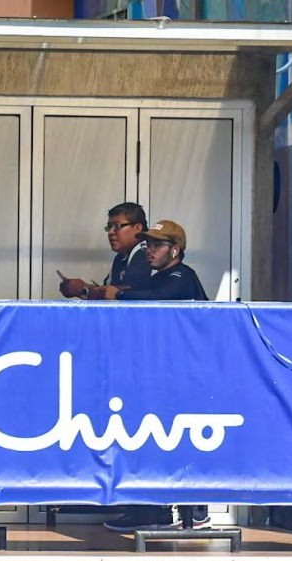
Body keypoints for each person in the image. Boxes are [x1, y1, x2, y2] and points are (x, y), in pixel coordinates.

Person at [89, 219, 210, 532]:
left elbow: (158, 298)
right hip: (162, 374)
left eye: (157, 244)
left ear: (175, 250)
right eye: (147, 244)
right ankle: (155, 510)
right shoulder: (162, 278)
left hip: (182, 376)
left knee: (175, 440)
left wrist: (119, 297)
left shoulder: (182, 276)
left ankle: (190, 511)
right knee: (153, 441)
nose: (149, 250)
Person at [58, 202, 152, 300]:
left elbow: (130, 294)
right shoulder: (121, 257)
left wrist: (84, 290)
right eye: (109, 227)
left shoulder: (145, 252)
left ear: (138, 228)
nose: (110, 232)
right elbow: (109, 293)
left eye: (117, 226)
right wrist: (80, 289)